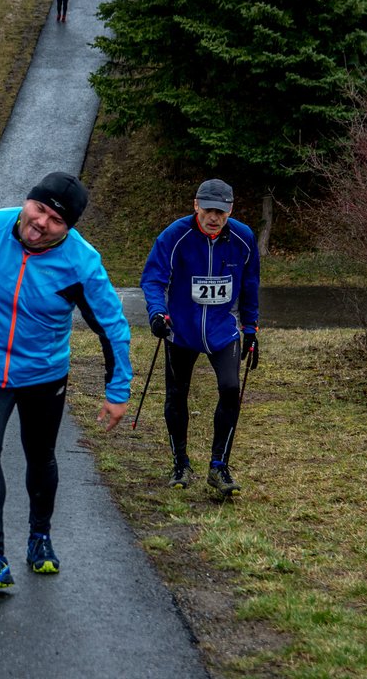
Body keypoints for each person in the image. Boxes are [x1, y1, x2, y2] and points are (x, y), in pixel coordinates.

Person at [0, 171, 132, 589]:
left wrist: (117, 390)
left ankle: (40, 536)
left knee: (40, 456)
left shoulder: (81, 262)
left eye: (56, 219)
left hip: (43, 373)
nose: (41, 222)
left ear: (68, 229)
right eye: (38, 208)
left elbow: (113, 326)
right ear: (26, 201)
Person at [139, 178, 260, 497]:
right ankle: (180, 462)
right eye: (207, 210)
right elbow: (153, 279)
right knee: (176, 394)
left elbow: (250, 285)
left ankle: (219, 466)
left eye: (220, 212)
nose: (213, 217)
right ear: (196, 205)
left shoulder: (243, 238)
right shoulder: (175, 235)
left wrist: (251, 328)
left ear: (230, 210)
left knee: (231, 389)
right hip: (181, 330)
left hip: (223, 331)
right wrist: (156, 312)